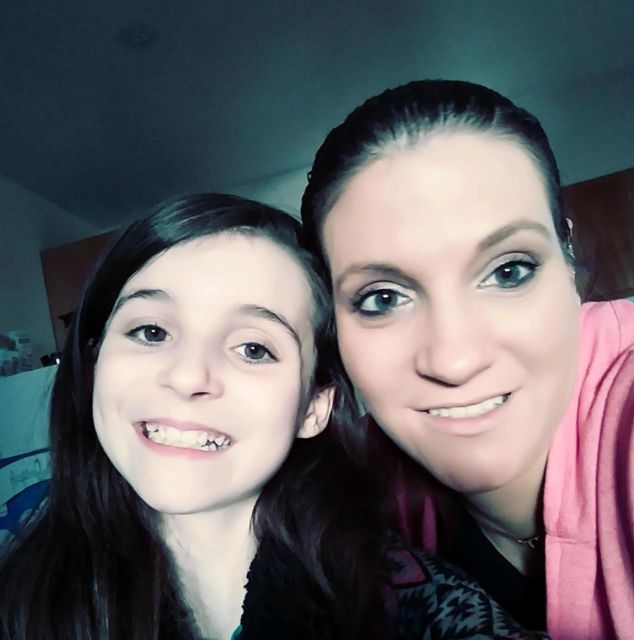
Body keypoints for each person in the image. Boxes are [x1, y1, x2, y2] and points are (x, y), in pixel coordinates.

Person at [0, 193, 544, 640]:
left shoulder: (412, 604)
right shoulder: (19, 596)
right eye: (151, 331)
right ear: (94, 361)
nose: (188, 377)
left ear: (314, 407)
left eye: (253, 349)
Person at [301, 79, 634, 640]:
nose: (455, 361)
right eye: (383, 299)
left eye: (508, 271)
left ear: (567, 257)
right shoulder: (356, 485)